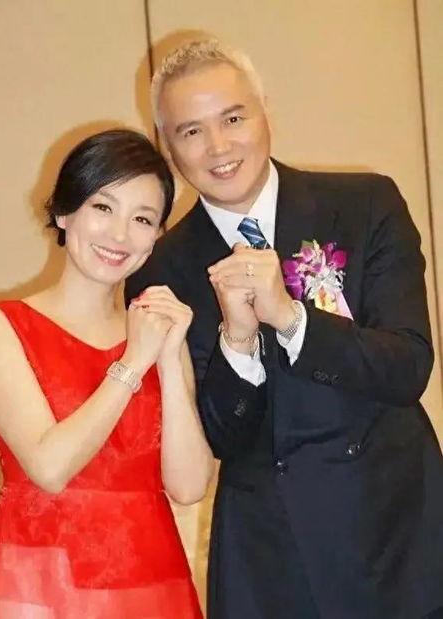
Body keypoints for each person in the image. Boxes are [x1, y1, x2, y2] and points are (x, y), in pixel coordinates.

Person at [126, 39, 443, 619]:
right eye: (191, 131)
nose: (218, 147)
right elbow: (219, 438)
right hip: (272, 551)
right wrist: (238, 340)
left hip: (394, 529)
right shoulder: (160, 270)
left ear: (264, 110)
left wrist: (292, 319)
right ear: (166, 144)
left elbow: (408, 366)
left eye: (233, 118)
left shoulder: (365, 204)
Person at [0, 129, 213, 618]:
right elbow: (49, 467)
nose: (120, 235)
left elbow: (188, 487)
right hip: (38, 584)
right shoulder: (0, 325)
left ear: (156, 237)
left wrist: (167, 358)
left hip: (152, 582)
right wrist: (134, 362)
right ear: (64, 212)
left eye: (142, 219)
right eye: (103, 207)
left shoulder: (156, 333)